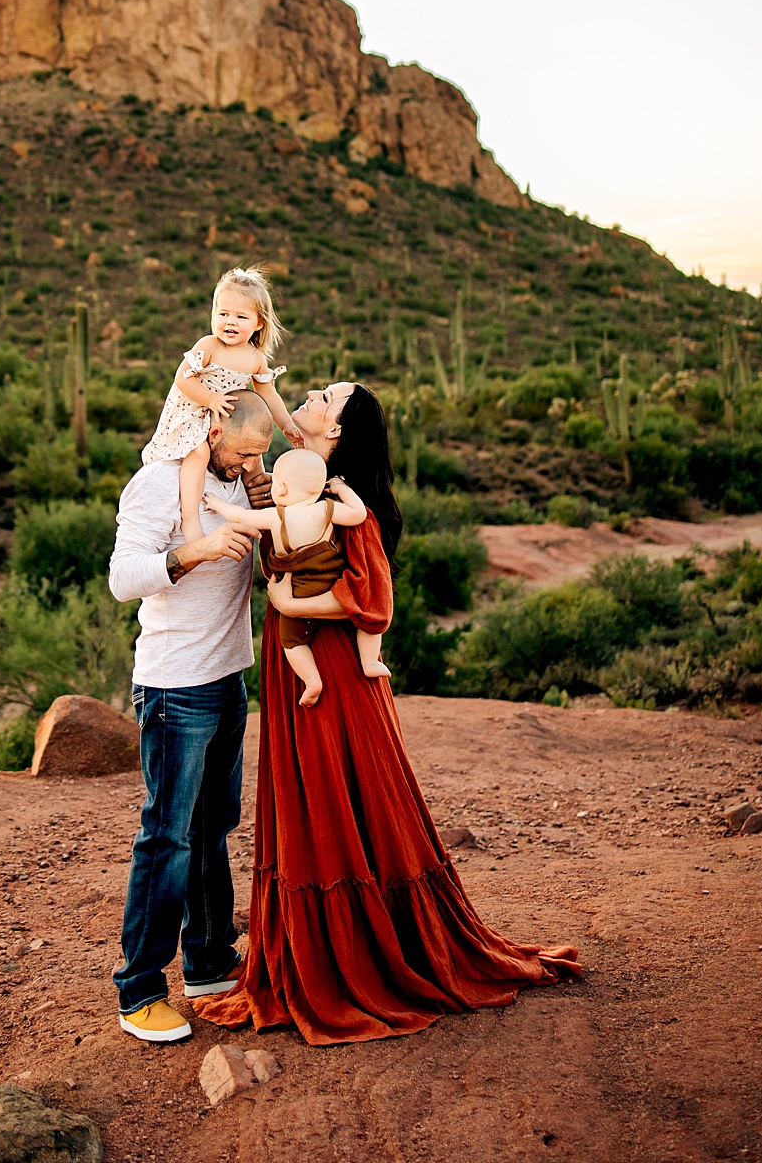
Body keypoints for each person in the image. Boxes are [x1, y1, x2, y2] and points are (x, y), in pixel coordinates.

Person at [195, 381, 580, 1045]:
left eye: (322, 397)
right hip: (300, 665)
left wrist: (288, 608)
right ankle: (315, 952)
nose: (309, 398)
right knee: (311, 797)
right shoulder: (300, 485)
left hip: (335, 670)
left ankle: (360, 959)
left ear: (338, 431)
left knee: (341, 791)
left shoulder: (351, 504)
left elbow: (367, 600)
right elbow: (273, 544)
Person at [108, 387, 275, 1043]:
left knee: (212, 829)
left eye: (261, 453)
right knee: (167, 836)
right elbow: (124, 577)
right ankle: (140, 989)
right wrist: (192, 554)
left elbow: (270, 567)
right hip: (175, 689)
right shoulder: (156, 484)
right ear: (208, 432)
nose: (251, 463)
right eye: (244, 451)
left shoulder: (236, 486)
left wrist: (271, 504)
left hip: (226, 680)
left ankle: (208, 960)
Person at [206, 447, 388, 707]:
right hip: (329, 586)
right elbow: (358, 514)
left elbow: (240, 516)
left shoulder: (275, 516)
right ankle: (370, 661)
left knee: (291, 641)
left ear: (280, 489)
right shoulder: (327, 509)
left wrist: (216, 503)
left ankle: (312, 679)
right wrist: (342, 489)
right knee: (365, 621)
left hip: (297, 593)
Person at [140, 266, 302, 543]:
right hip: (195, 409)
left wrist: (285, 424)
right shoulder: (209, 345)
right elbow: (182, 379)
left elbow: (270, 394)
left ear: (259, 323)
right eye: (223, 314)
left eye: (241, 317)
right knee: (200, 452)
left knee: (254, 460)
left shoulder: (255, 358)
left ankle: (262, 515)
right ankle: (190, 518)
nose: (230, 322)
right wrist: (210, 399)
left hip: (226, 419)